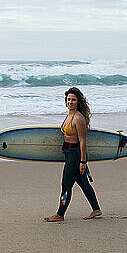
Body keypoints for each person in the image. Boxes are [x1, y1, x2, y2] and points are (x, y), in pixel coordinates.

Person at [44, 87, 102, 222]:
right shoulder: (69, 115)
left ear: (78, 102)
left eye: (73, 100)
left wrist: (83, 162)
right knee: (84, 184)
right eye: (69, 99)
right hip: (69, 153)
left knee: (66, 185)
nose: (70, 102)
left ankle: (60, 214)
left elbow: (82, 142)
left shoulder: (78, 118)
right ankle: (96, 209)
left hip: (75, 155)